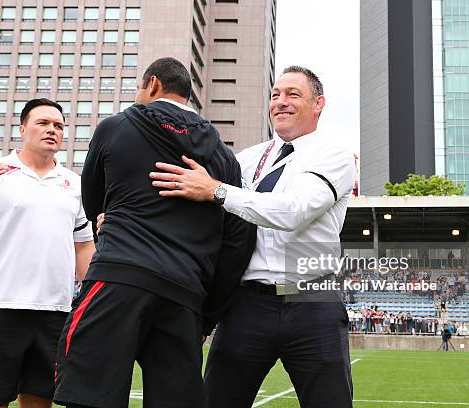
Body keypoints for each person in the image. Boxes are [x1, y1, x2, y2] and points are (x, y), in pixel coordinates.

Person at [53, 57, 254, 408]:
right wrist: (207, 312)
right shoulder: (225, 158)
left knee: (89, 395)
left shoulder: (116, 127)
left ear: (153, 85)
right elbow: (238, 242)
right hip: (185, 295)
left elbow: (93, 200)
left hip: (118, 279)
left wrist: (111, 232)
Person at [149, 66, 356, 407]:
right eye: (275, 95)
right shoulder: (245, 159)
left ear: (319, 103)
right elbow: (197, 203)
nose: (281, 102)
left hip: (311, 301)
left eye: (293, 94)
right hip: (247, 303)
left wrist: (218, 190)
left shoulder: (334, 155)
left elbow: (293, 211)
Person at [0, 98, 95, 408]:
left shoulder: (75, 185)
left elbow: (84, 247)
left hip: (55, 314)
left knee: (40, 403)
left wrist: (94, 301)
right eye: (43, 123)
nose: (52, 130)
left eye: (59, 126)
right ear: (23, 129)